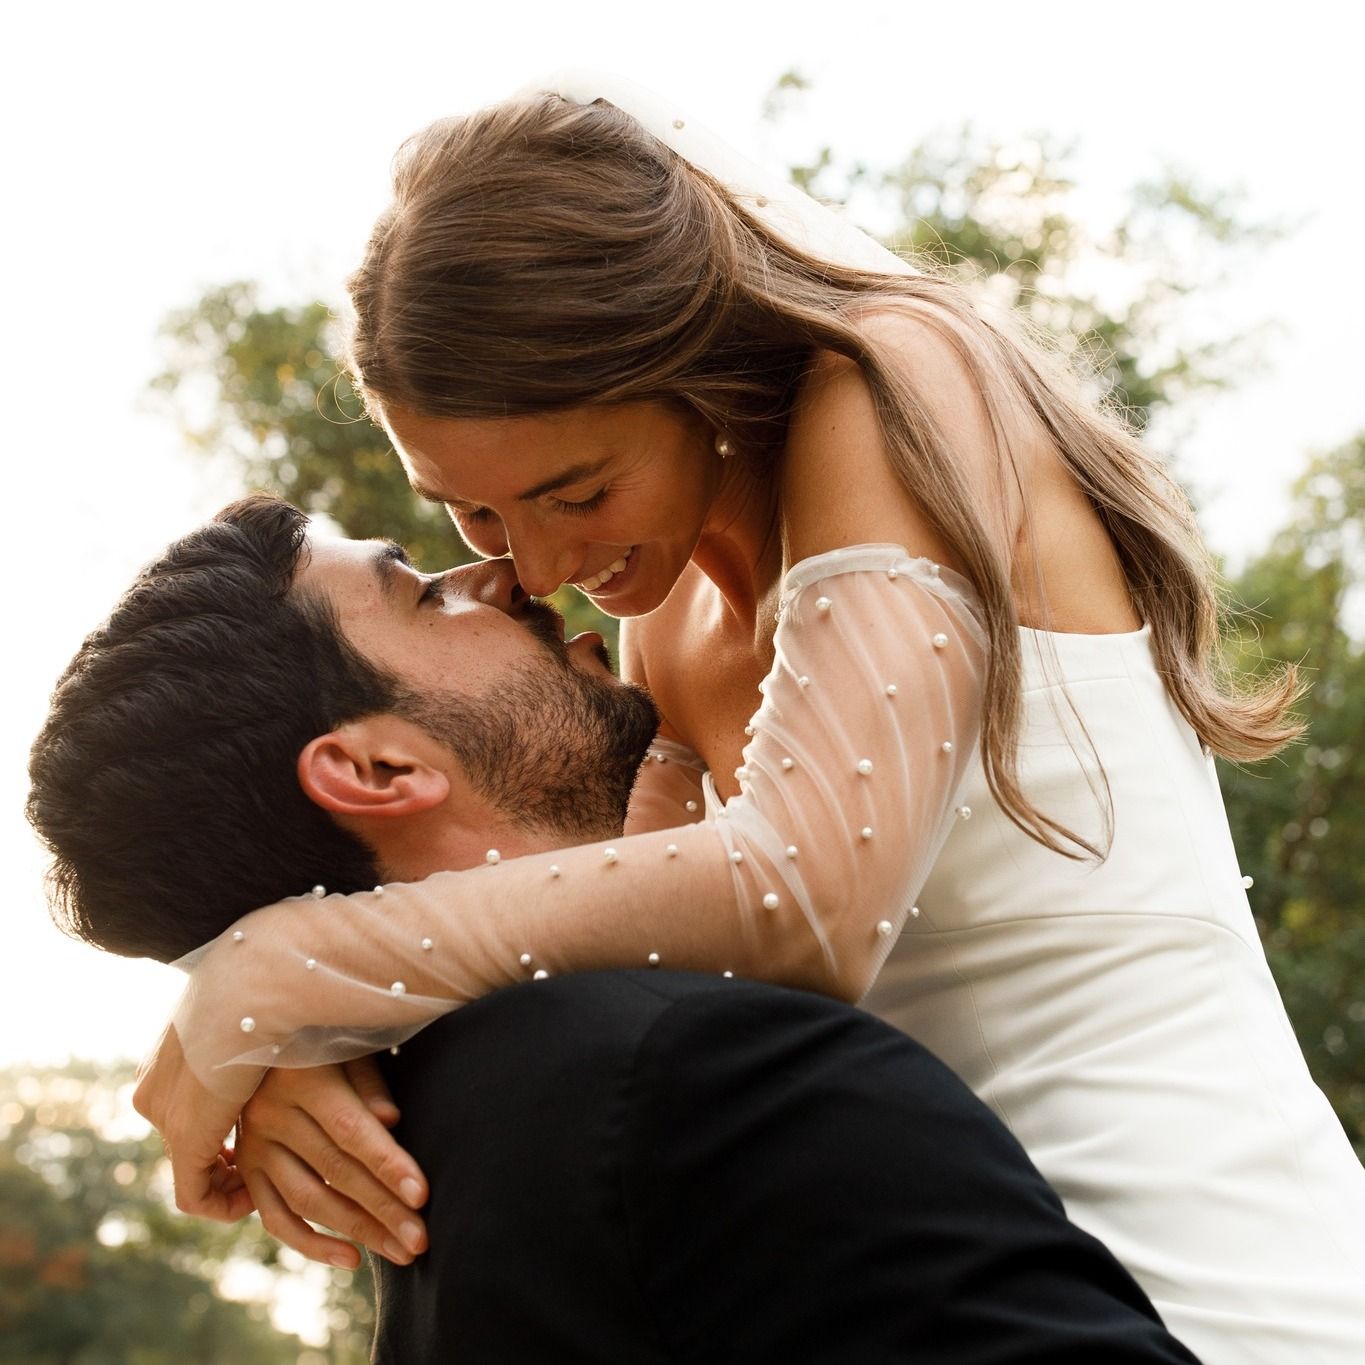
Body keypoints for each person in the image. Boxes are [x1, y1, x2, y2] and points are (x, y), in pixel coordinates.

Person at [128, 76, 1365, 1362]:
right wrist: (313, 1050)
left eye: (575, 489)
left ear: (693, 370)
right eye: (474, 514)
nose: (537, 570)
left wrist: (287, 970)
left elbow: (803, 905)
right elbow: (608, 982)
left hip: (1228, 1292)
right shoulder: (664, 627)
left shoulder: (892, 389)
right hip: (943, 1301)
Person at [26, 496, 1201, 1363]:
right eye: (424, 594)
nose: (500, 576)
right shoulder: (696, 1079)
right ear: (378, 766)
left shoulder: (440, 1184)